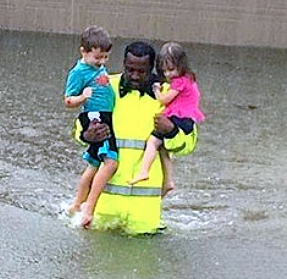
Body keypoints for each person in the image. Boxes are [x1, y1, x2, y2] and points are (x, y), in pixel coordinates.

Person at [76, 41, 198, 234]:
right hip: (103, 212)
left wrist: (172, 130)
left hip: (144, 218)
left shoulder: (169, 94)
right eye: (130, 69)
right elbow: (81, 124)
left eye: (142, 71)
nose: (135, 75)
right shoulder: (106, 85)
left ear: (154, 69)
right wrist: (86, 135)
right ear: (123, 63)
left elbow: (188, 143)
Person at [128, 42, 205, 195]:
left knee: (153, 141)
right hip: (185, 117)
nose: (168, 75)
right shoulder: (189, 79)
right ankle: (168, 180)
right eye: (164, 71)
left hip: (180, 118)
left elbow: (164, 100)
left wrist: (156, 90)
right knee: (163, 148)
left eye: (171, 69)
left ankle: (144, 170)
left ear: (181, 65)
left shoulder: (179, 82)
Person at [63, 25, 116, 228]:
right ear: (83, 52)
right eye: (97, 58)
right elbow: (67, 100)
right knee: (110, 162)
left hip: (104, 115)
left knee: (94, 163)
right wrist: (82, 97)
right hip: (94, 118)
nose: (101, 62)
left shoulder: (97, 67)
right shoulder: (78, 72)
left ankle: (76, 204)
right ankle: (87, 207)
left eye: (105, 58)